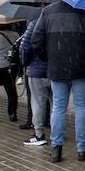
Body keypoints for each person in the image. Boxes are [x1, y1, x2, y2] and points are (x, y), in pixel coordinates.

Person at [32, 0, 85, 163]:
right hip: (81, 66)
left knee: (58, 107)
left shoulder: (48, 11)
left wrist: (50, 57)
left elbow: (36, 41)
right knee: (81, 106)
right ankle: (82, 149)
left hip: (57, 67)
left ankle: (56, 149)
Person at [18, 15, 51, 147]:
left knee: (38, 102)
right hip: (56, 70)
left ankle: (39, 135)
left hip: (36, 70)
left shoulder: (35, 23)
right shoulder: (60, 22)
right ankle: (57, 133)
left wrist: (25, 63)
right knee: (57, 105)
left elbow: (24, 46)